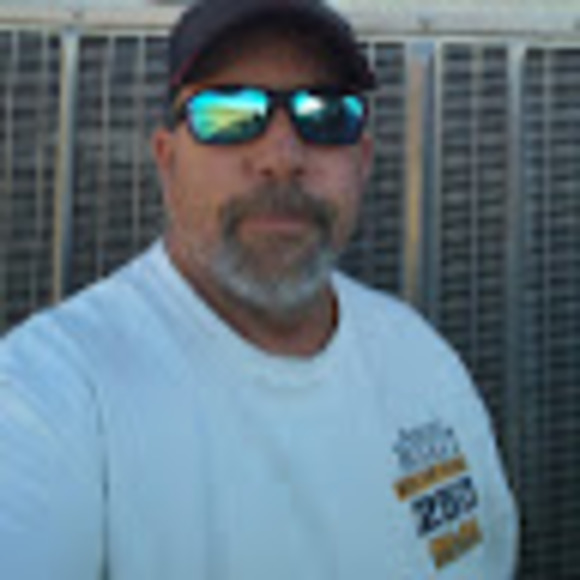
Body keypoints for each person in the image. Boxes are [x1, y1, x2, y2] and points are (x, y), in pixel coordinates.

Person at [0, 0, 518, 578]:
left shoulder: (422, 360)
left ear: (364, 161)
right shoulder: (52, 395)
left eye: (325, 114)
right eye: (229, 112)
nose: (281, 158)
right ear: (167, 161)